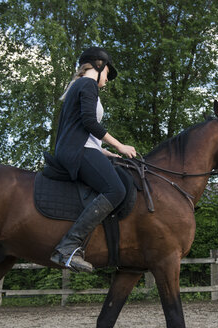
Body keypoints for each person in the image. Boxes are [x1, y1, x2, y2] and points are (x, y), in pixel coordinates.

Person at [50, 47, 136, 273]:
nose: (107, 79)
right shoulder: (87, 85)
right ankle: (68, 246)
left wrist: (109, 154)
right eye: (108, 72)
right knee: (116, 190)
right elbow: (90, 122)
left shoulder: (77, 87)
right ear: (99, 66)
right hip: (78, 152)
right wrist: (119, 145)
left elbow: (84, 132)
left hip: (80, 148)